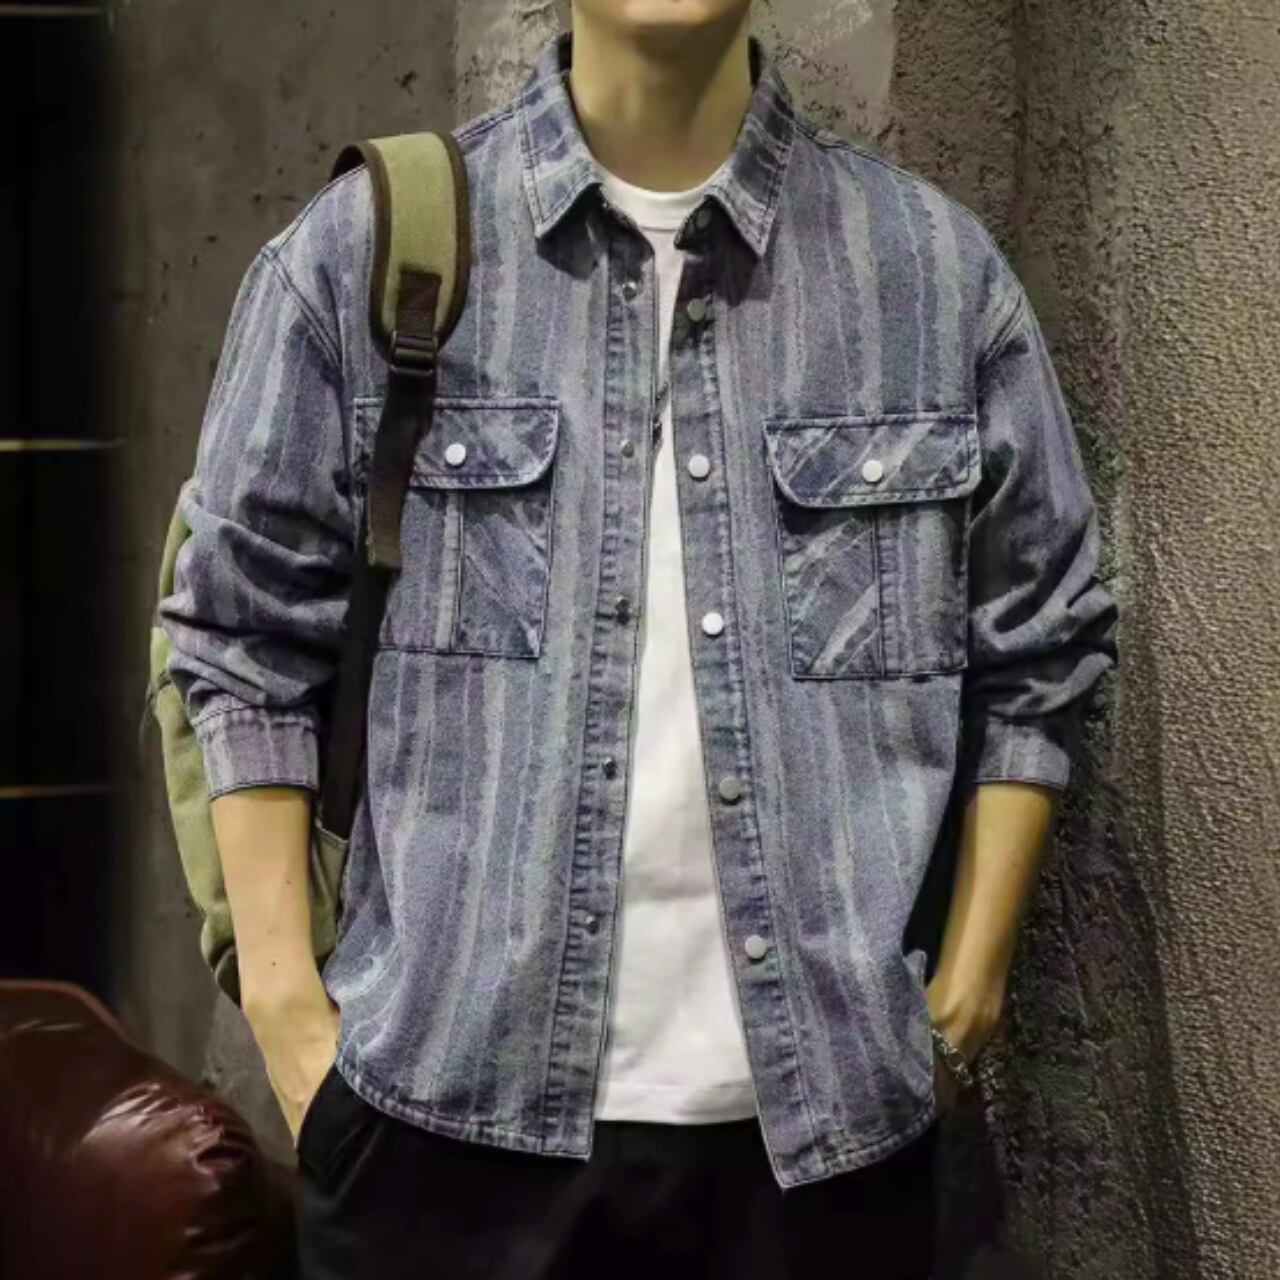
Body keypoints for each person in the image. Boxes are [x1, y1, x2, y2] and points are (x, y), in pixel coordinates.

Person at [158, 2, 1119, 1276]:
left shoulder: (928, 276)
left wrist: (966, 990)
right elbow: (238, 637)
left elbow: (1040, 643)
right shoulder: (366, 254)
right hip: (438, 1148)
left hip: (828, 1157)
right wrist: (291, 1021)